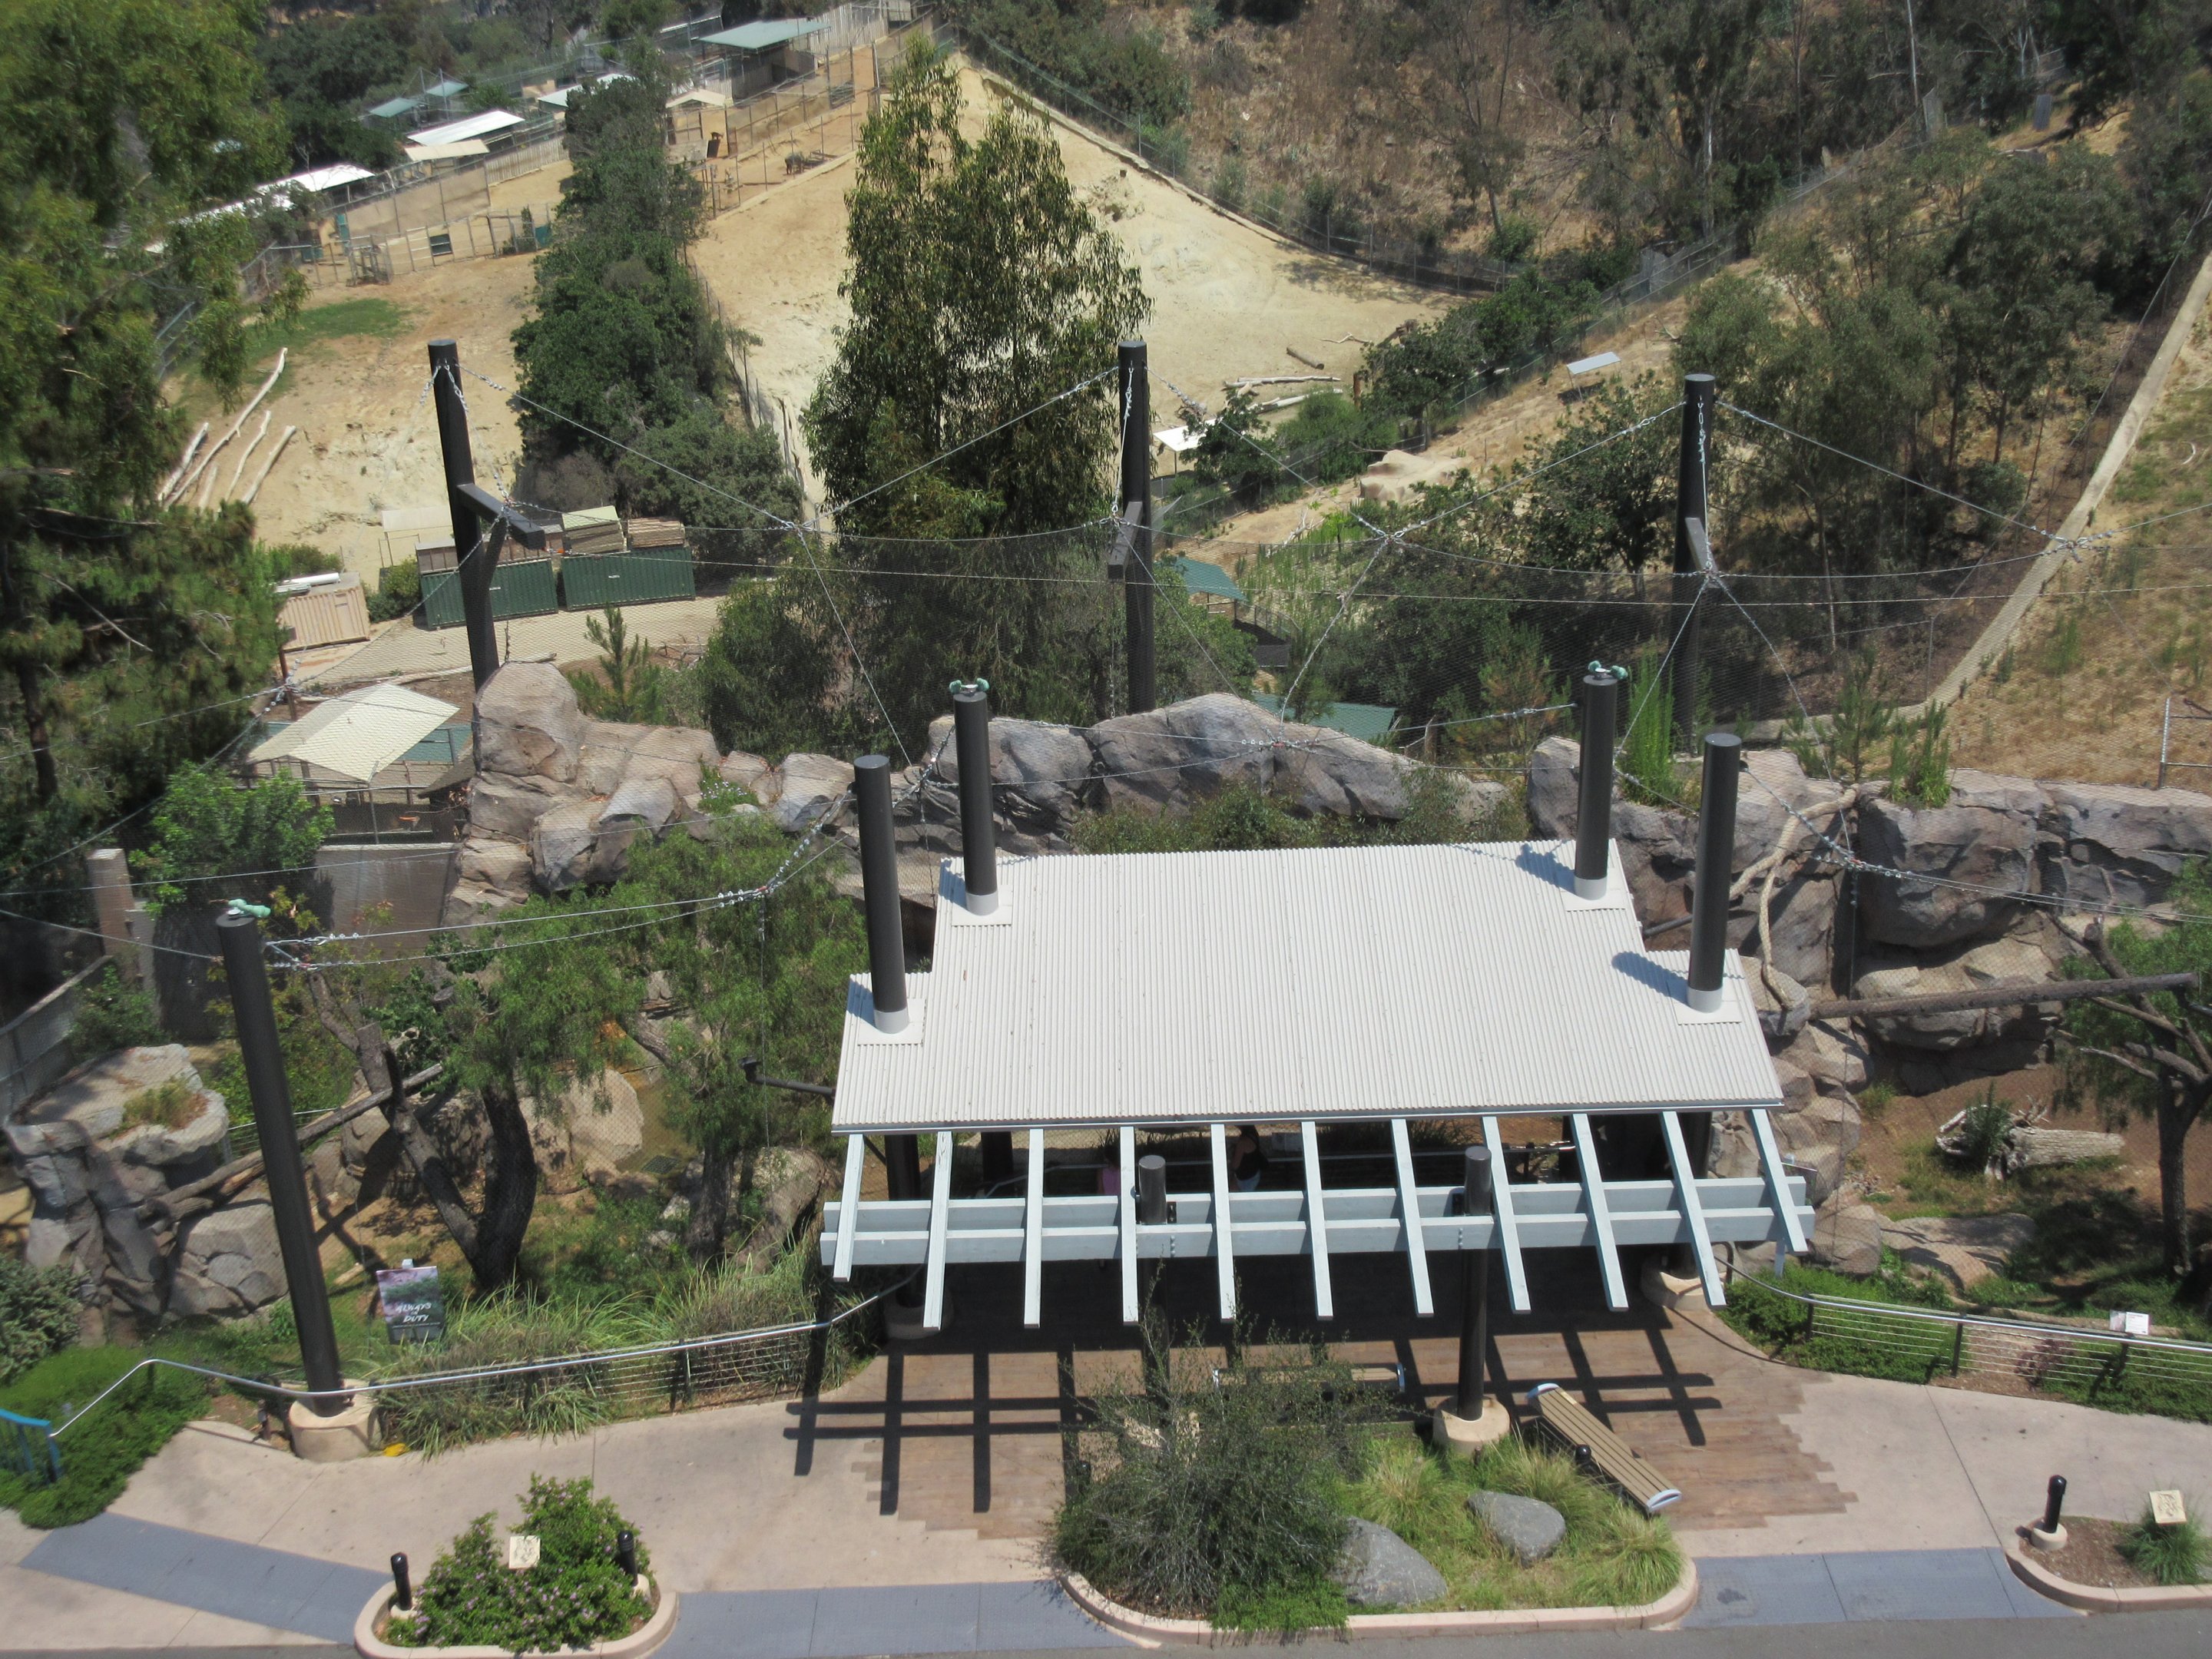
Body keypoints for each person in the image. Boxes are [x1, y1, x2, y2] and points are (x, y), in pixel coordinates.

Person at [1233, 1126, 1267, 1192]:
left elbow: (1235, 1165)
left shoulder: (1243, 1142)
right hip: (1253, 1174)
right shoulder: (1253, 1135)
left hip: (1246, 1179)